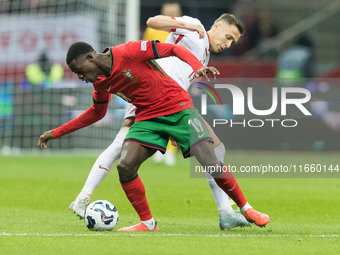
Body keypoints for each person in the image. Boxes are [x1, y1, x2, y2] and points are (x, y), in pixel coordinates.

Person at [38, 40, 269, 231]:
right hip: (148, 118)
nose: (80, 77)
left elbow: (172, 49)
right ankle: (147, 223)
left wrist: (197, 65)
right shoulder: (100, 83)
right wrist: (56, 133)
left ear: (90, 59)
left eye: (79, 71)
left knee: (211, 162)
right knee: (125, 166)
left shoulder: (128, 52)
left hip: (178, 109)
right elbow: (96, 113)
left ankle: (245, 208)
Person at [143, 1, 183, 166]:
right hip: (157, 75)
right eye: (168, 11)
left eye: (174, 12)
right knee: (157, 113)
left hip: (177, 76)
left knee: (175, 114)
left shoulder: (184, 29)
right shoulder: (152, 29)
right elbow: (145, 50)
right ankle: (159, 149)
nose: (171, 14)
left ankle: (171, 151)